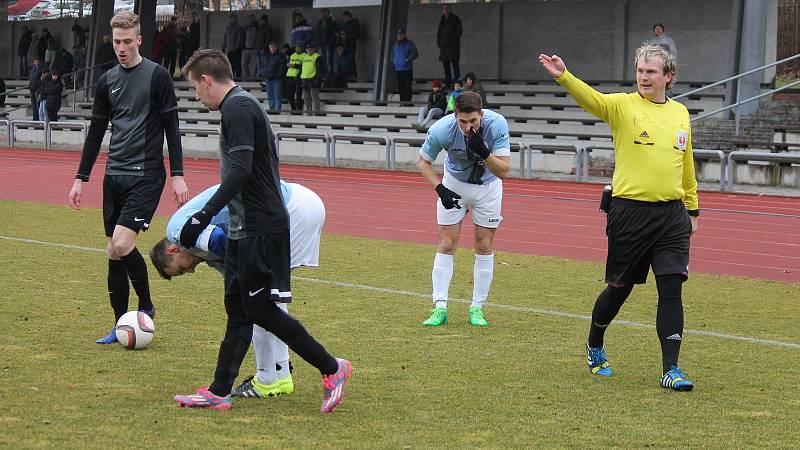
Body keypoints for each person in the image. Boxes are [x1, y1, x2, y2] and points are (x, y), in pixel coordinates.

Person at [174, 49, 351, 412]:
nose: (196, 96)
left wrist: (203, 215)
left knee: (261, 309)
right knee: (239, 309)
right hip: (243, 226)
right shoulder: (239, 107)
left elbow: (239, 170)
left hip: (260, 226)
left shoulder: (238, 108)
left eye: (195, 88)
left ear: (207, 80)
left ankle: (333, 368)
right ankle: (219, 391)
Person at [538, 45, 699, 391]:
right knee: (619, 289)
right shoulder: (624, 107)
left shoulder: (681, 113)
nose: (643, 77)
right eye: (640, 70)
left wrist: (692, 208)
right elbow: (592, 99)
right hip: (629, 213)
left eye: (651, 72)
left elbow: (686, 165)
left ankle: (671, 369)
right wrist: (564, 76)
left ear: (668, 77)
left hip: (671, 216)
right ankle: (595, 344)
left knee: (671, 287)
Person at [68, 12, 189, 344]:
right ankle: (120, 325)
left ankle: (147, 307)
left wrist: (178, 175)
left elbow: (172, 129)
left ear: (138, 40)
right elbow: (95, 133)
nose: (120, 48)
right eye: (116, 42)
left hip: (146, 175)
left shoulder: (158, 76)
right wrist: (81, 178)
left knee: (123, 244)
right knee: (112, 251)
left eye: (126, 41)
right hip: (114, 174)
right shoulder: (107, 80)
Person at [150, 180, 325, 398]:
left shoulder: (177, 230)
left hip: (290, 209)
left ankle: (271, 378)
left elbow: (219, 240)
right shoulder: (203, 254)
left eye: (181, 269)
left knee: (256, 302)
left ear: (173, 250)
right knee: (266, 298)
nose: (190, 271)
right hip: (297, 204)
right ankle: (280, 376)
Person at [418, 92, 511, 328]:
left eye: (473, 121)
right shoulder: (442, 129)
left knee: (484, 245)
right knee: (447, 244)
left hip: (488, 186)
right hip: (454, 184)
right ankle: (440, 307)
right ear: (455, 116)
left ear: (481, 115)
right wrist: (440, 189)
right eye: (462, 122)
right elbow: (423, 162)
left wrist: (485, 153)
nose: (468, 127)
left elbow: (503, 171)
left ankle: (477, 308)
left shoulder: (497, 123)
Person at [437, 4, 462, 87]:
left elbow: (459, 32)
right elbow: (439, 31)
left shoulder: (455, 19)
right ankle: (448, 83)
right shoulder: (442, 19)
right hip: (444, 47)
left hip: (453, 47)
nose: (446, 10)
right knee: (446, 66)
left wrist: (451, 41)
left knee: (455, 65)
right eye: (444, 8)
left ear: (450, 9)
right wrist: (439, 42)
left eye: (447, 8)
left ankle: (457, 84)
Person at [392, 29, 418, 104]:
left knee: (407, 86)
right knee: (400, 87)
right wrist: (394, 61)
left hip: (407, 69)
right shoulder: (395, 45)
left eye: (401, 35)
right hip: (398, 69)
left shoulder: (410, 43)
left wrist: (407, 60)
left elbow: (415, 53)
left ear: (404, 35)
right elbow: (392, 55)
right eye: (398, 35)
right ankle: (402, 102)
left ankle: (407, 102)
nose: (399, 36)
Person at [314, 8, 338, 82]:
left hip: (328, 45)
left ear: (328, 13)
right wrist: (318, 42)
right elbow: (317, 33)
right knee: (322, 60)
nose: (323, 15)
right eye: (322, 13)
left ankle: (329, 76)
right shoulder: (319, 23)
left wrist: (330, 42)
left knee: (328, 61)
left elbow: (333, 34)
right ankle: (325, 75)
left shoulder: (332, 22)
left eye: (324, 13)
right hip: (321, 45)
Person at [261, 41, 286, 113]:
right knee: (270, 95)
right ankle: (272, 109)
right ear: (269, 47)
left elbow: (282, 67)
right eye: (271, 47)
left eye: (274, 47)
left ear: (277, 47)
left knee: (277, 95)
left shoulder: (280, 55)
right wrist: (264, 74)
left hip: (276, 79)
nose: (273, 49)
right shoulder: (266, 55)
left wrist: (278, 75)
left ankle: (277, 110)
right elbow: (264, 66)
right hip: (268, 78)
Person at [300, 43, 322, 115]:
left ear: (313, 49)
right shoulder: (304, 57)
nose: (309, 50)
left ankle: (317, 112)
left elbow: (319, 70)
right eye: (307, 49)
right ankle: (309, 113)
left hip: (313, 79)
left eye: (310, 49)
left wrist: (317, 80)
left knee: (314, 97)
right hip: (304, 79)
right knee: (306, 98)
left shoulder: (317, 57)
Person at [222, 14, 245, 79]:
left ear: (236, 19)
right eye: (231, 18)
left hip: (236, 50)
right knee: (231, 66)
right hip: (229, 50)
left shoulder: (240, 27)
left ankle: (238, 79)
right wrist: (224, 46)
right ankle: (231, 79)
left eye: (234, 18)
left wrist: (237, 47)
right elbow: (225, 38)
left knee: (237, 66)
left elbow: (240, 38)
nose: (233, 19)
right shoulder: (228, 28)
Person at [339, 11, 360, 78]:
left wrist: (346, 35)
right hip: (345, 44)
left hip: (351, 44)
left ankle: (353, 75)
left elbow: (357, 35)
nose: (344, 19)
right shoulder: (346, 24)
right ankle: (348, 74)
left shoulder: (355, 23)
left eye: (344, 17)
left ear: (348, 16)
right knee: (346, 61)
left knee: (351, 60)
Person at [286, 43, 304, 112]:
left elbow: (304, 66)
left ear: (302, 48)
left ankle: (299, 110)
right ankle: (293, 110)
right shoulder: (292, 55)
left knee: (298, 95)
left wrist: (294, 65)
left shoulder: (304, 55)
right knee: (290, 95)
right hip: (290, 75)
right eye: (296, 47)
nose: (297, 49)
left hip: (298, 77)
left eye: (299, 47)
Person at [241, 14, 260, 81]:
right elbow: (243, 37)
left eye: (252, 18)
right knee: (244, 64)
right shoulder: (247, 27)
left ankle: (253, 79)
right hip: (246, 48)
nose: (251, 20)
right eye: (250, 19)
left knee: (254, 66)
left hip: (254, 49)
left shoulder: (258, 27)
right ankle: (246, 78)